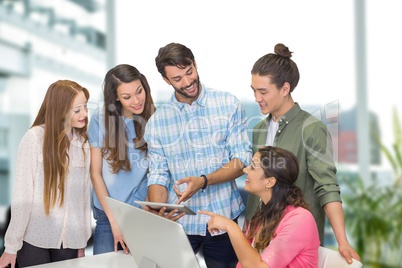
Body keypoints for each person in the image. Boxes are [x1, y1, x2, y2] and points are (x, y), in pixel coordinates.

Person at [244, 43, 360, 263]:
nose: (257, 98)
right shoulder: (259, 130)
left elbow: (327, 187)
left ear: (285, 88)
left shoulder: (312, 129)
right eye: (254, 90)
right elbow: (258, 183)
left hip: (293, 240)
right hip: (259, 235)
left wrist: (342, 241)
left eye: (263, 91)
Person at [144, 42, 253, 268]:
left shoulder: (228, 104)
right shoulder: (157, 123)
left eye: (189, 72)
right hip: (180, 223)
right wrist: (157, 209)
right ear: (166, 81)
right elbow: (158, 174)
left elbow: (241, 159)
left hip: (222, 216)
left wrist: (203, 181)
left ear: (195, 64)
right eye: (177, 79)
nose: (187, 82)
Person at [0, 80, 92, 268]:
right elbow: (22, 196)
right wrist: (11, 247)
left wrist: (81, 242)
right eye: (77, 110)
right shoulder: (34, 138)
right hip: (34, 239)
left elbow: (82, 199)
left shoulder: (83, 144)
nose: (84, 114)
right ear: (60, 110)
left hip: (69, 241)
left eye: (85, 107)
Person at [200, 146, 320, 267]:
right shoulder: (263, 213)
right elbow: (245, 262)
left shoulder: (300, 220)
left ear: (269, 182)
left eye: (252, 167)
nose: (246, 170)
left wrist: (230, 226)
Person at [88, 64, 156, 255]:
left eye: (139, 91)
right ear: (116, 97)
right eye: (127, 97)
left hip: (140, 212)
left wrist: (145, 210)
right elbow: (95, 174)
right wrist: (114, 221)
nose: (136, 100)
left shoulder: (153, 118)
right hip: (108, 214)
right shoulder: (100, 120)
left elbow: (156, 171)